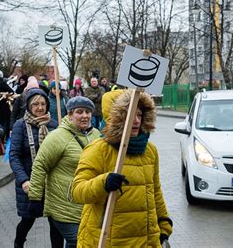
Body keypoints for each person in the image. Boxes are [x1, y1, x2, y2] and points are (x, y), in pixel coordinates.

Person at [71, 89, 173, 247]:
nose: (137, 121)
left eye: (139, 115)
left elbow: (155, 192)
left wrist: (164, 225)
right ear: (116, 119)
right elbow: (77, 191)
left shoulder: (150, 151)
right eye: (130, 114)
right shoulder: (99, 149)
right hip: (107, 240)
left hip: (145, 240)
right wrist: (103, 183)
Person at [28, 96, 101, 248]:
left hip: (89, 203)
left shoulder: (96, 135)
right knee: (77, 241)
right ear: (69, 114)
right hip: (64, 205)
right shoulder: (57, 137)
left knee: (83, 242)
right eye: (79, 112)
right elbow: (40, 166)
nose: (85, 116)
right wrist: (35, 198)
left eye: (88, 112)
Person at [9, 88, 62, 248]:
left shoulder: (55, 124)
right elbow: (14, 156)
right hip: (30, 183)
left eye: (43, 104)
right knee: (27, 220)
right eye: (35, 104)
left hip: (52, 183)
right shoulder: (20, 125)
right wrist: (23, 180)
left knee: (56, 224)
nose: (40, 107)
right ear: (28, 106)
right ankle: (18, 244)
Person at [0, 70, 14, 138]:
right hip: (4, 107)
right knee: (3, 124)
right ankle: (2, 138)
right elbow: (12, 92)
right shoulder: (3, 83)